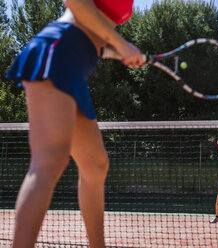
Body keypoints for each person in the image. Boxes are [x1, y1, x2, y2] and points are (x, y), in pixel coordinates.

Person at [6, 0, 144, 247]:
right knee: (50, 159)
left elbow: (95, 41)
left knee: (95, 164)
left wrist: (121, 52)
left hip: (76, 64)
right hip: (58, 49)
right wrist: (122, 43)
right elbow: (75, 3)